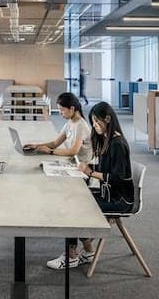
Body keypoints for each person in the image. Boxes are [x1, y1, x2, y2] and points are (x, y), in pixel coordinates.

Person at [47, 102, 135, 270]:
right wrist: (86, 168)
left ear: (107, 119)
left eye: (96, 122)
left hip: (120, 200)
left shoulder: (118, 144)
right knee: (72, 198)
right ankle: (88, 250)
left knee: (74, 206)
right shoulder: (109, 140)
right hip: (109, 192)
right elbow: (106, 169)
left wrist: (90, 172)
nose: (94, 127)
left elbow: (117, 179)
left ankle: (71, 255)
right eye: (93, 123)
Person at [24, 92, 93, 164]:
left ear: (72, 109)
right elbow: (55, 143)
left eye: (62, 110)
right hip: (72, 160)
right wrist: (36, 146)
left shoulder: (81, 126)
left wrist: (50, 151)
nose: (60, 113)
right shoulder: (70, 122)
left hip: (81, 165)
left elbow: (73, 151)